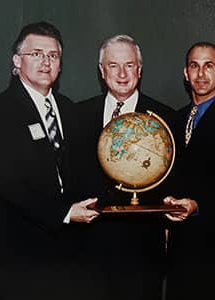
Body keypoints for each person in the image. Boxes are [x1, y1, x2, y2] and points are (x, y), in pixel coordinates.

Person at [0, 21, 99, 300]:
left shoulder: (70, 109)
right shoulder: (2, 111)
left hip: (73, 256)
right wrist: (64, 214)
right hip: (22, 256)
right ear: (17, 61)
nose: (46, 62)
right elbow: (9, 184)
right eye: (37, 54)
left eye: (53, 56)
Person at [72, 34, 176, 300]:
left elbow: (174, 185)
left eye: (129, 65)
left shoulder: (165, 120)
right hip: (87, 253)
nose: (121, 73)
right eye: (113, 65)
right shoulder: (77, 116)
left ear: (139, 71)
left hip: (141, 257)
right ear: (101, 70)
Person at [163, 42, 215, 299]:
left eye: (209, 65)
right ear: (185, 74)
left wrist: (197, 205)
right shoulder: (173, 121)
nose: (201, 74)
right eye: (194, 66)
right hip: (178, 251)